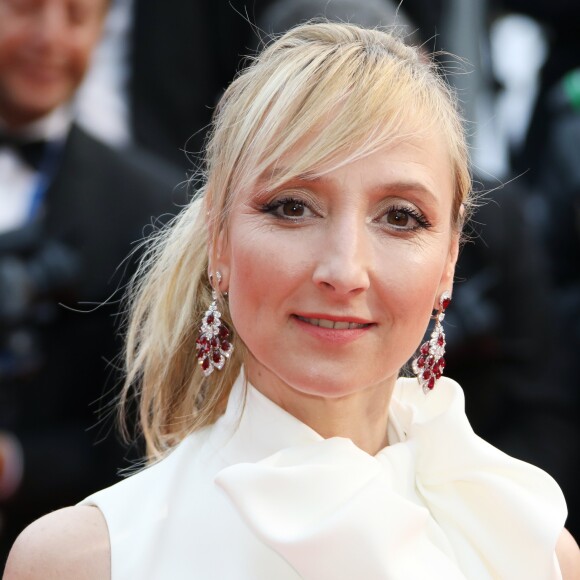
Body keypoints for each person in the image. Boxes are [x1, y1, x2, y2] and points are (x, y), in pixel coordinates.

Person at [5, 22, 579, 579]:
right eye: (293, 207)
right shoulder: (82, 561)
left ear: (449, 262)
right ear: (219, 238)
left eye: (400, 217)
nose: (344, 270)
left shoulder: (531, 544)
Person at [0, 0, 183, 562]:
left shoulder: (149, 207)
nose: (50, 39)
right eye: (26, 9)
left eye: (78, 16)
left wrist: (17, 464)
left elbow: (140, 437)